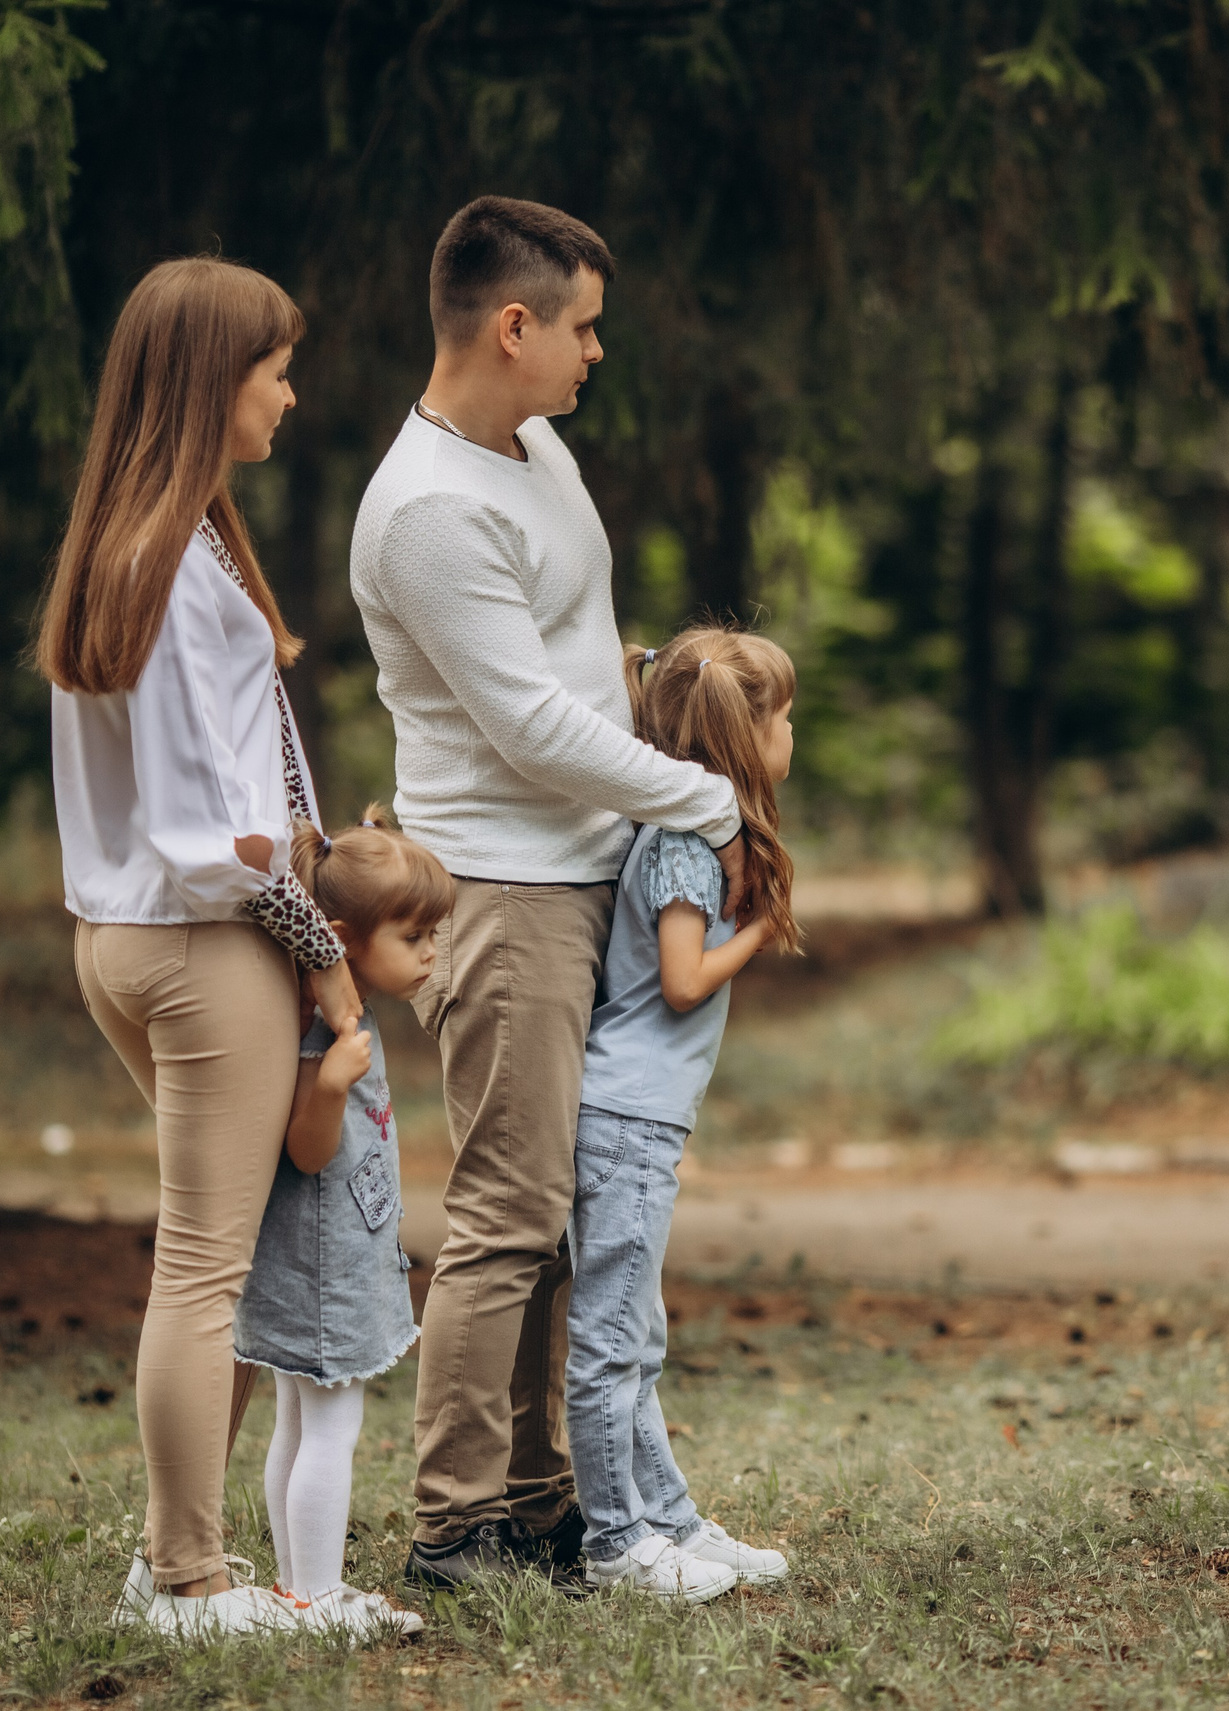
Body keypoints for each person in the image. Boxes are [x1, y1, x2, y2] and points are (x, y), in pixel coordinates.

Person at [349, 196, 748, 1589]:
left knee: (564, 1218)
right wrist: (705, 800)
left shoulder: (535, 447)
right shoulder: (427, 511)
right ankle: (456, 1523)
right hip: (505, 891)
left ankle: (545, 1497)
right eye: (582, 327)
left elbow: (578, 658)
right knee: (509, 1212)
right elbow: (524, 725)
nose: (596, 352)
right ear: (512, 325)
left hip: (584, 872)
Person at [41, 257, 361, 1639]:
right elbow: (204, 839)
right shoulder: (166, 564)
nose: (289, 394)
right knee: (208, 1270)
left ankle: (173, 1560)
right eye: (273, 371)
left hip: (133, 936)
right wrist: (319, 941)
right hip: (199, 941)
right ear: (204, 381)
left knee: (227, 1256)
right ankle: (185, 1581)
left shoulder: (156, 542)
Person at [570, 629, 801, 1602]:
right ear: (744, 735)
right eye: (784, 717)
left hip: (639, 1119)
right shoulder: (685, 846)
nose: (793, 733)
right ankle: (615, 1541)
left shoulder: (689, 836)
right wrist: (759, 929)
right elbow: (681, 980)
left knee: (638, 1339)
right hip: (626, 1118)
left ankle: (669, 1521)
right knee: (608, 1344)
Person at [232, 809, 450, 1643]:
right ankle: (317, 1596)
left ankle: (300, 1591)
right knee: (330, 1423)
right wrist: (329, 1085)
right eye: (413, 934)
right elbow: (308, 1149)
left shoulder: (334, 1010)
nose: (430, 951)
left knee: (297, 1419)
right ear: (341, 937)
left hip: (326, 1250)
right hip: (321, 1260)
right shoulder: (322, 1028)